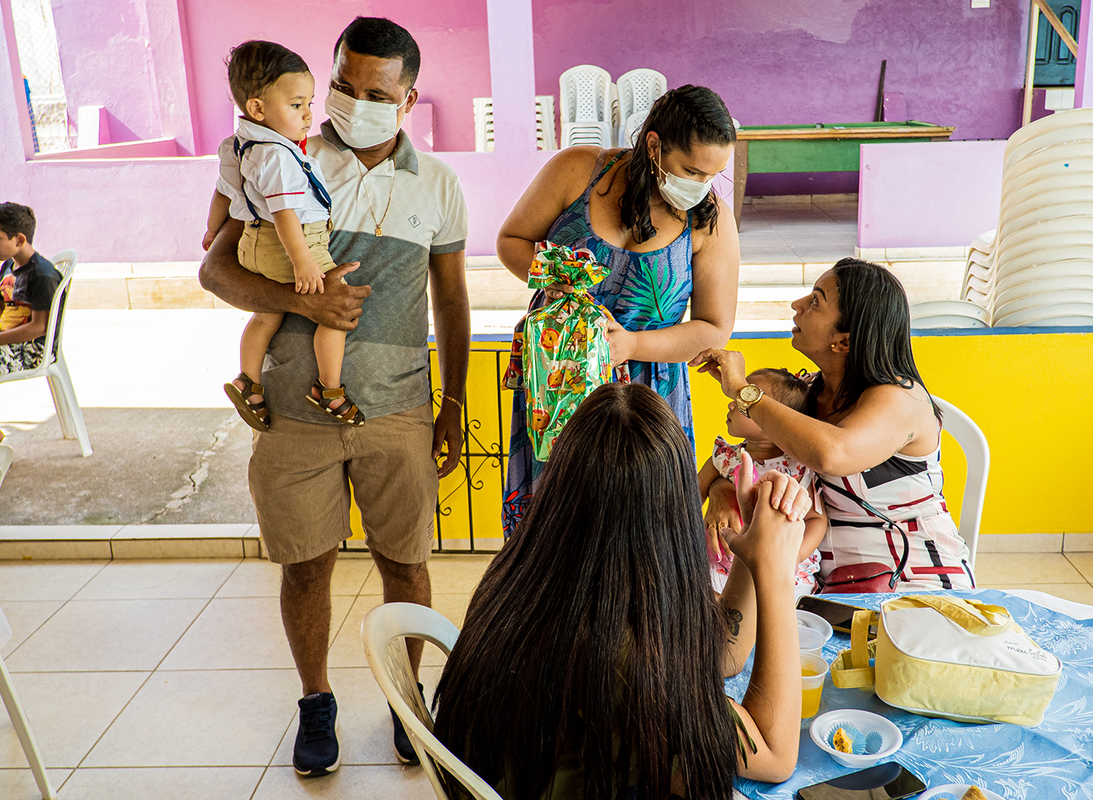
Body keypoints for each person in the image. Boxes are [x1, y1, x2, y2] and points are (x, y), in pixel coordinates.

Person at [199, 16, 470, 778]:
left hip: (398, 411)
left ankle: (407, 699)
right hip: (295, 413)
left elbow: (451, 301)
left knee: (406, 564)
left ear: (408, 99)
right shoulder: (284, 157)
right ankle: (316, 700)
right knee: (305, 566)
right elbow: (215, 271)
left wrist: (452, 403)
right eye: (344, 86)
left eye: (376, 94)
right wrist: (305, 303)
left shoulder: (439, 185)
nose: (354, 104)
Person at [433, 383, 808, 800]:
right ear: (674, 514)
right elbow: (775, 755)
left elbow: (724, 656)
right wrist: (775, 572)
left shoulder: (532, 571)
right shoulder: (629, 656)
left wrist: (750, 543)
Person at [497, 85, 740, 536]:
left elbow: (713, 329)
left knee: (639, 539)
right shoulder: (578, 172)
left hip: (647, 398)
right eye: (691, 170)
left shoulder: (710, 220)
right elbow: (511, 240)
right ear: (654, 145)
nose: (701, 186)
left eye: (713, 175)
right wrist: (552, 278)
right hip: (558, 381)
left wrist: (630, 345)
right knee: (558, 533)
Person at [697, 258, 975, 591]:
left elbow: (831, 454)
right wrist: (722, 489)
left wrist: (744, 392)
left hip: (912, 577)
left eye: (815, 301)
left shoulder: (900, 399)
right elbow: (755, 452)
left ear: (844, 341)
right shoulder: (807, 393)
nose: (797, 305)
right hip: (821, 583)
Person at [204, 40, 364, 431]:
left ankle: (248, 380)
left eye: (310, 103)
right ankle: (328, 389)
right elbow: (285, 214)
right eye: (296, 105)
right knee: (336, 309)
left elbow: (223, 192)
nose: (308, 115)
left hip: (253, 244)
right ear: (258, 108)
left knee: (266, 314)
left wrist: (211, 230)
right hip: (290, 245)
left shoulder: (236, 145)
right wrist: (304, 262)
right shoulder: (277, 155)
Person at [698, 368, 826, 597]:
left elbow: (816, 520)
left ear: (775, 418)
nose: (731, 404)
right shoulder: (724, 457)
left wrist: (794, 556)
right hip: (721, 564)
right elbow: (690, 496)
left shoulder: (798, 466)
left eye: (744, 402)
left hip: (785, 572)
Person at [0, 203, 63, 392]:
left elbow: (39, 327)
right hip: (4, 337)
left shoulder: (42, 274)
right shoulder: (9, 266)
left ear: (19, 240)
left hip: (30, 350)